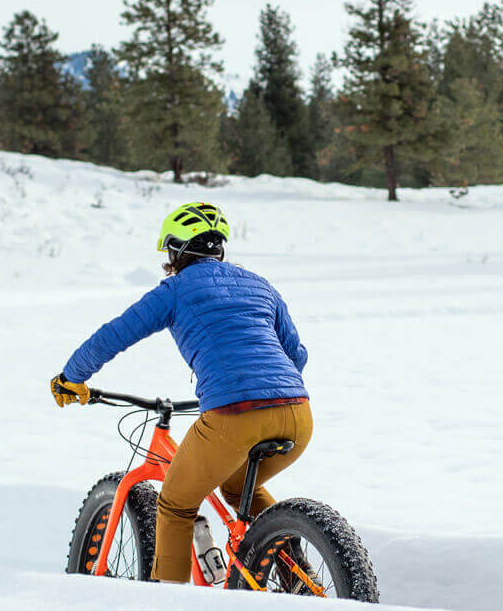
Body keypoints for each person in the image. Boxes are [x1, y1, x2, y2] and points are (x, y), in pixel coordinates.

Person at [50, 202, 311, 583]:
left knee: (174, 505)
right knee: (239, 489)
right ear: (218, 248)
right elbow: (297, 354)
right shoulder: (259, 284)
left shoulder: (175, 290)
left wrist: (71, 377)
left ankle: (167, 610)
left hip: (235, 416)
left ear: (176, 250)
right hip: (298, 415)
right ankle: (296, 575)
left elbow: (114, 335)